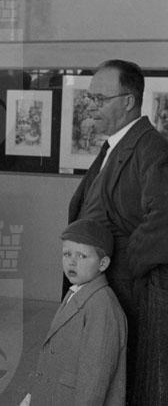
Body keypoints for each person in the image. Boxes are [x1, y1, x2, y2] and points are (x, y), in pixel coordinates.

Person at [66, 59, 168, 404]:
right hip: (104, 285)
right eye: (90, 98)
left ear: (128, 101)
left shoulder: (151, 148)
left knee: (126, 380)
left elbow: (163, 219)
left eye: (99, 99)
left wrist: (124, 265)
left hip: (126, 289)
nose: (90, 107)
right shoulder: (114, 145)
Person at [24, 219, 127, 406]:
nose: (72, 262)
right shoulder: (76, 291)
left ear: (103, 263)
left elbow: (94, 380)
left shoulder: (102, 307)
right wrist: (34, 395)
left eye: (82, 256)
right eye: (67, 254)